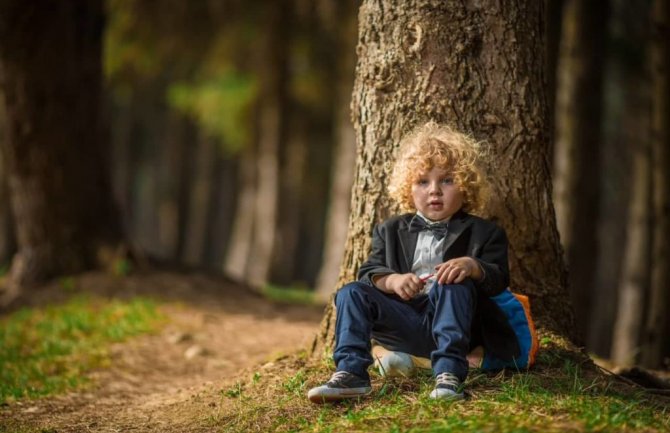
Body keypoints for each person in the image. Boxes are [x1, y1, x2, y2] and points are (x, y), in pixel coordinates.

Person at [307, 121, 525, 403]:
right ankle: (351, 373)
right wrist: (393, 280)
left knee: (453, 281)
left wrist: (472, 266)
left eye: (447, 180)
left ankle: (448, 376)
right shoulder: (390, 229)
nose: (434, 190)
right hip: (406, 321)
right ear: (407, 189)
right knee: (351, 292)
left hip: (460, 324)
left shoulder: (485, 233)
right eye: (423, 181)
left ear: (466, 186)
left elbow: (498, 279)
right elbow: (370, 272)